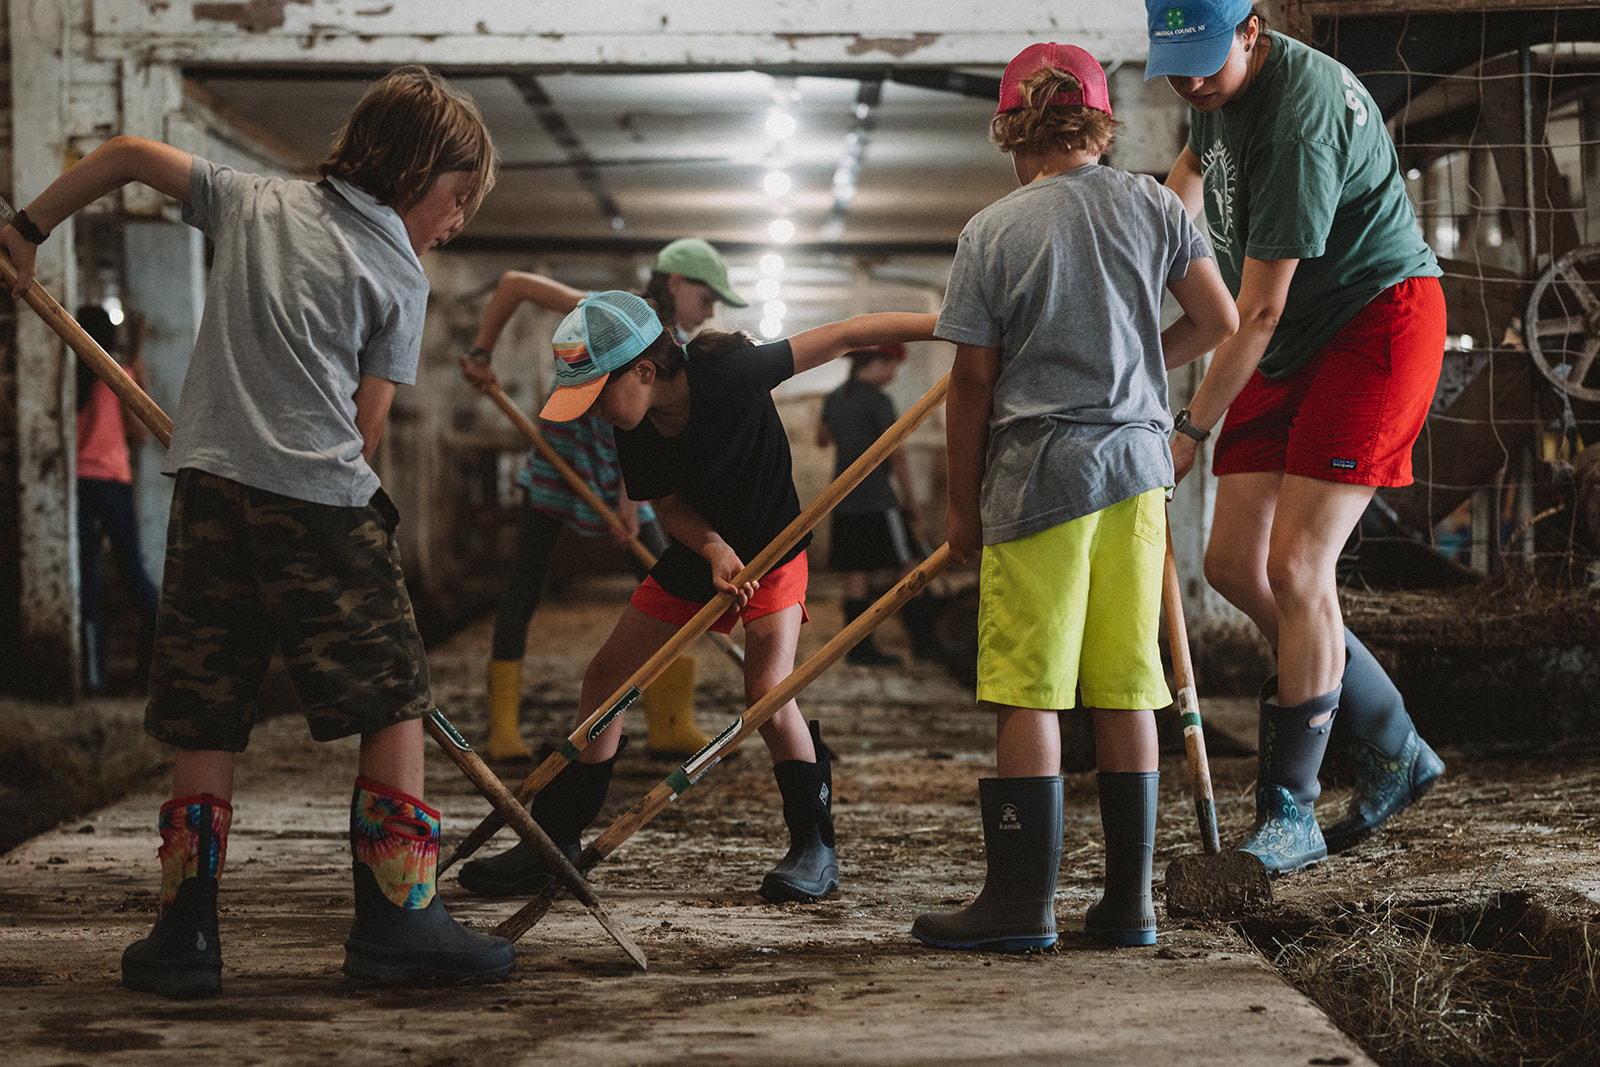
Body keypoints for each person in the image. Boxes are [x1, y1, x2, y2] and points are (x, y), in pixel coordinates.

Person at [1, 66, 512, 998]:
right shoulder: (400, 269)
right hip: (320, 500)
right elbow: (366, 430)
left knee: (208, 697)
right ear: (413, 170)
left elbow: (119, 156)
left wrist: (27, 230)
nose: (457, 219)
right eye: (456, 197)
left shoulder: (252, 200)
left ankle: (185, 933)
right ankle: (399, 919)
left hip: (210, 491)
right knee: (393, 689)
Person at [454, 290, 939, 904]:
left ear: (645, 371)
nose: (595, 411)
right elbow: (671, 507)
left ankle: (815, 846)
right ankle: (555, 838)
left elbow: (847, 333)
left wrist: (954, 327)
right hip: (699, 556)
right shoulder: (634, 426)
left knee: (768, 691)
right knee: (606, 676)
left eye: (598, 393)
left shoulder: (731, 374)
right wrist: (710, 547)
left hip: (776, 548)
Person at [912, 42, 1238, 952]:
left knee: (1032, 690)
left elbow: (973, 381)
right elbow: (1220, 320)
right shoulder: (1152, 205)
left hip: (1039, 475)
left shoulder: (993, 230)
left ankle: (1022, 905)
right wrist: (1137, 363)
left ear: (1012, 126)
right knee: (1131, 687)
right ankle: (1130, 905)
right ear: (1100, 122)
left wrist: (959, 505)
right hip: (1138, 473)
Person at [1146, 0, 1447, 874]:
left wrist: (1189, 427)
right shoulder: (1216, 99)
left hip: (1371, 323)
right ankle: (1394, 743)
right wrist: (1137, 279)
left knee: (1297, 567)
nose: (1192, 80)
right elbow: (1186, 186)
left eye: (1207, 58)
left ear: (1254, 29)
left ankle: (1291, 810)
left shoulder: (1299, 117)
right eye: (1176, 62)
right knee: (1235, 564)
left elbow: (1258, 309)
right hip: (1285, 332)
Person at [458, 238, 747, 761]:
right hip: (559, 466)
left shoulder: (676, 352)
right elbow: (514, 284)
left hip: (621, 477)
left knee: (672, 584)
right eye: (707, 298)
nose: (712, 311)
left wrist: (627, 501)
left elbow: (646, 437)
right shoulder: (611, 313)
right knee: (524, 586)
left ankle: (670, 722)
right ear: (676, 284)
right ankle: (502, 731)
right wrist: (481, 353)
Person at [815, 344, 945, 667]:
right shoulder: (879, 400)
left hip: (844, 500)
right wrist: (910, 499)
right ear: (878, 361)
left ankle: (858, 650)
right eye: (892, 366)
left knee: (856, 572)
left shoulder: (835, 397)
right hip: (878, 500)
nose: (893, 374)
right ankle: (925, 644)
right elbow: (895, 453)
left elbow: (821, 439)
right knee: (911, 564)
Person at [74, 305, 159, 695]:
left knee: (86, 584)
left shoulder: (71, 378)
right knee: (135, 577)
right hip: (112, 485)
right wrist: (138, 387)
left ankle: (93, 681)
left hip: (77, 485)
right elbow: (141, 435)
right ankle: (149, 675)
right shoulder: (119, 377)